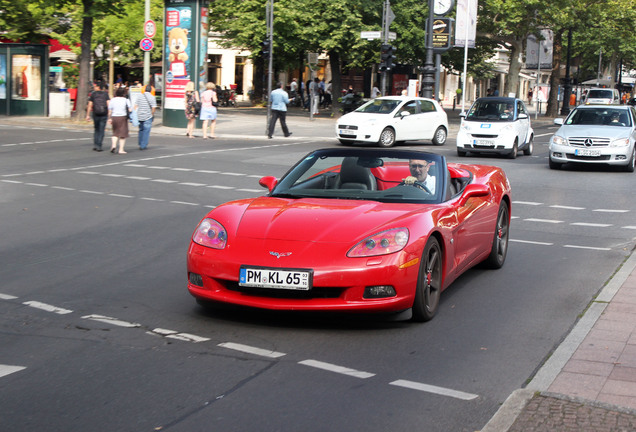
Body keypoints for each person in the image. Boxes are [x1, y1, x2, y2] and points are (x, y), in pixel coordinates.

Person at [85, 80, 110, 152]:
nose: (94, 87)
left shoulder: (93, 94)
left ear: (98, 87)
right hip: (104, 113)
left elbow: (89, 105)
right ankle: (99, 145)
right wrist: (109, 115)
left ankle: (95, 144)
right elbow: (108, 104)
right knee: (102, 130)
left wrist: (88, 115)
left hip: (95, 113)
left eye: (95, 86)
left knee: (96, 129)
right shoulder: (105, 94)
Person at [108, 87, 132, 154]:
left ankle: (113, 145)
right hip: (123, 117)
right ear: (124, 93)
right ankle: (121, 149)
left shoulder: (113, 100)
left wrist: (109, 118)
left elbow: (110, 110)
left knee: (115, 132)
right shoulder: (126, 100)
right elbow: (130, 109)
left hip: (114, 117)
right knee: (122, 134)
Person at [134, 84, 157, 150]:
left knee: (141, 129)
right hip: (148, 116)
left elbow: (135, 106)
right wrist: (152, 114)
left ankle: (140, 142)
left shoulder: (139, 96)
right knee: (146, 131)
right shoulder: (152, 97)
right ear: (151, 90)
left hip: (139, 115)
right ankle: (143, 145)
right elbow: (153, 107)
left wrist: (135, 114)